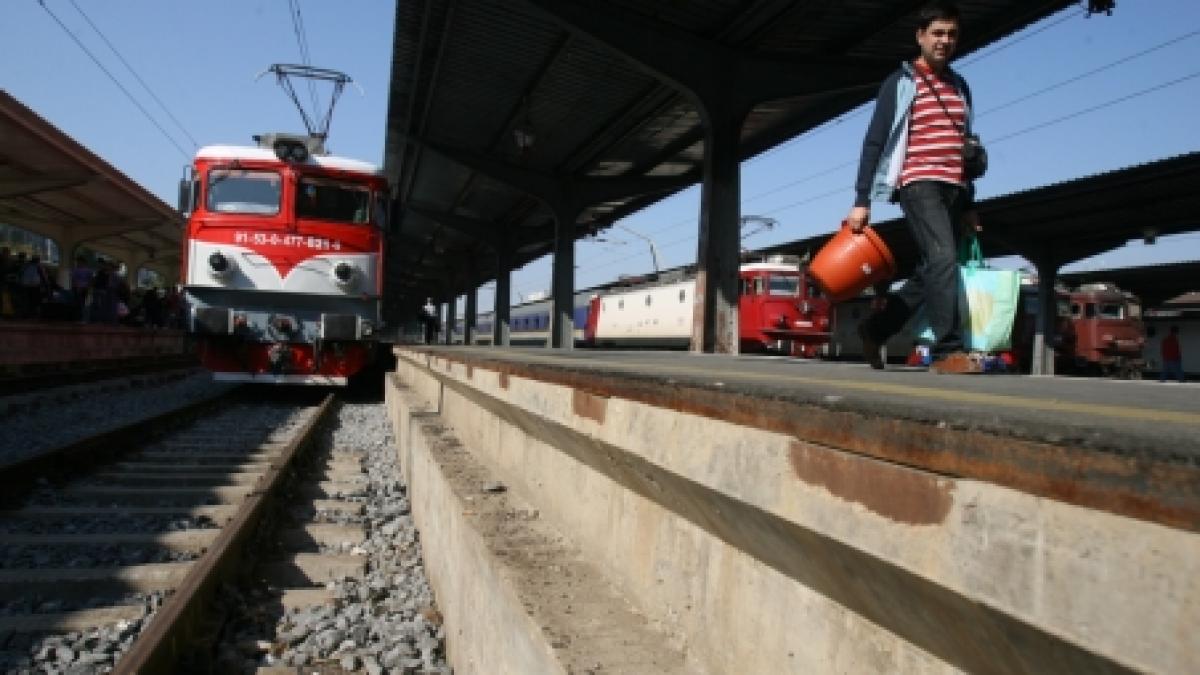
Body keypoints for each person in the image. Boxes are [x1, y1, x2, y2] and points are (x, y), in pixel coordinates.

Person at [846, 1, 983, 374]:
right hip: (918, 182)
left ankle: (876, 329)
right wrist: (862, 200)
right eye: (937, 33)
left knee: (931, 271)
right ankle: (946, 352)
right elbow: (874, 141)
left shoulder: (960, 85)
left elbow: (964, 147)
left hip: (954, 186)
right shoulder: (901, 82)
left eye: (952, 34)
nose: (945, 41)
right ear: (920, 36)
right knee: (943, 259)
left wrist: (970, 203)